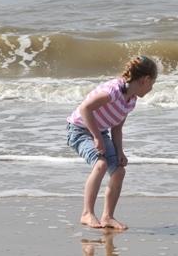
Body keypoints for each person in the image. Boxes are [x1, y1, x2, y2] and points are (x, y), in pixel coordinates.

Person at [67, 55, 158, 230]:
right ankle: (87, 213)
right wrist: (96, 137)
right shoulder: (113, 91)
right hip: (79, 130)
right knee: (100, 164)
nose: (151, 89)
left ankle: (108, 217)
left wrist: (120, 152)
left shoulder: (131, 101)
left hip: (99, 132)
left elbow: (116, 128)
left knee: (118, 171)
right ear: (145, 80)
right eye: (152, 84)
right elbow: (85, 108)